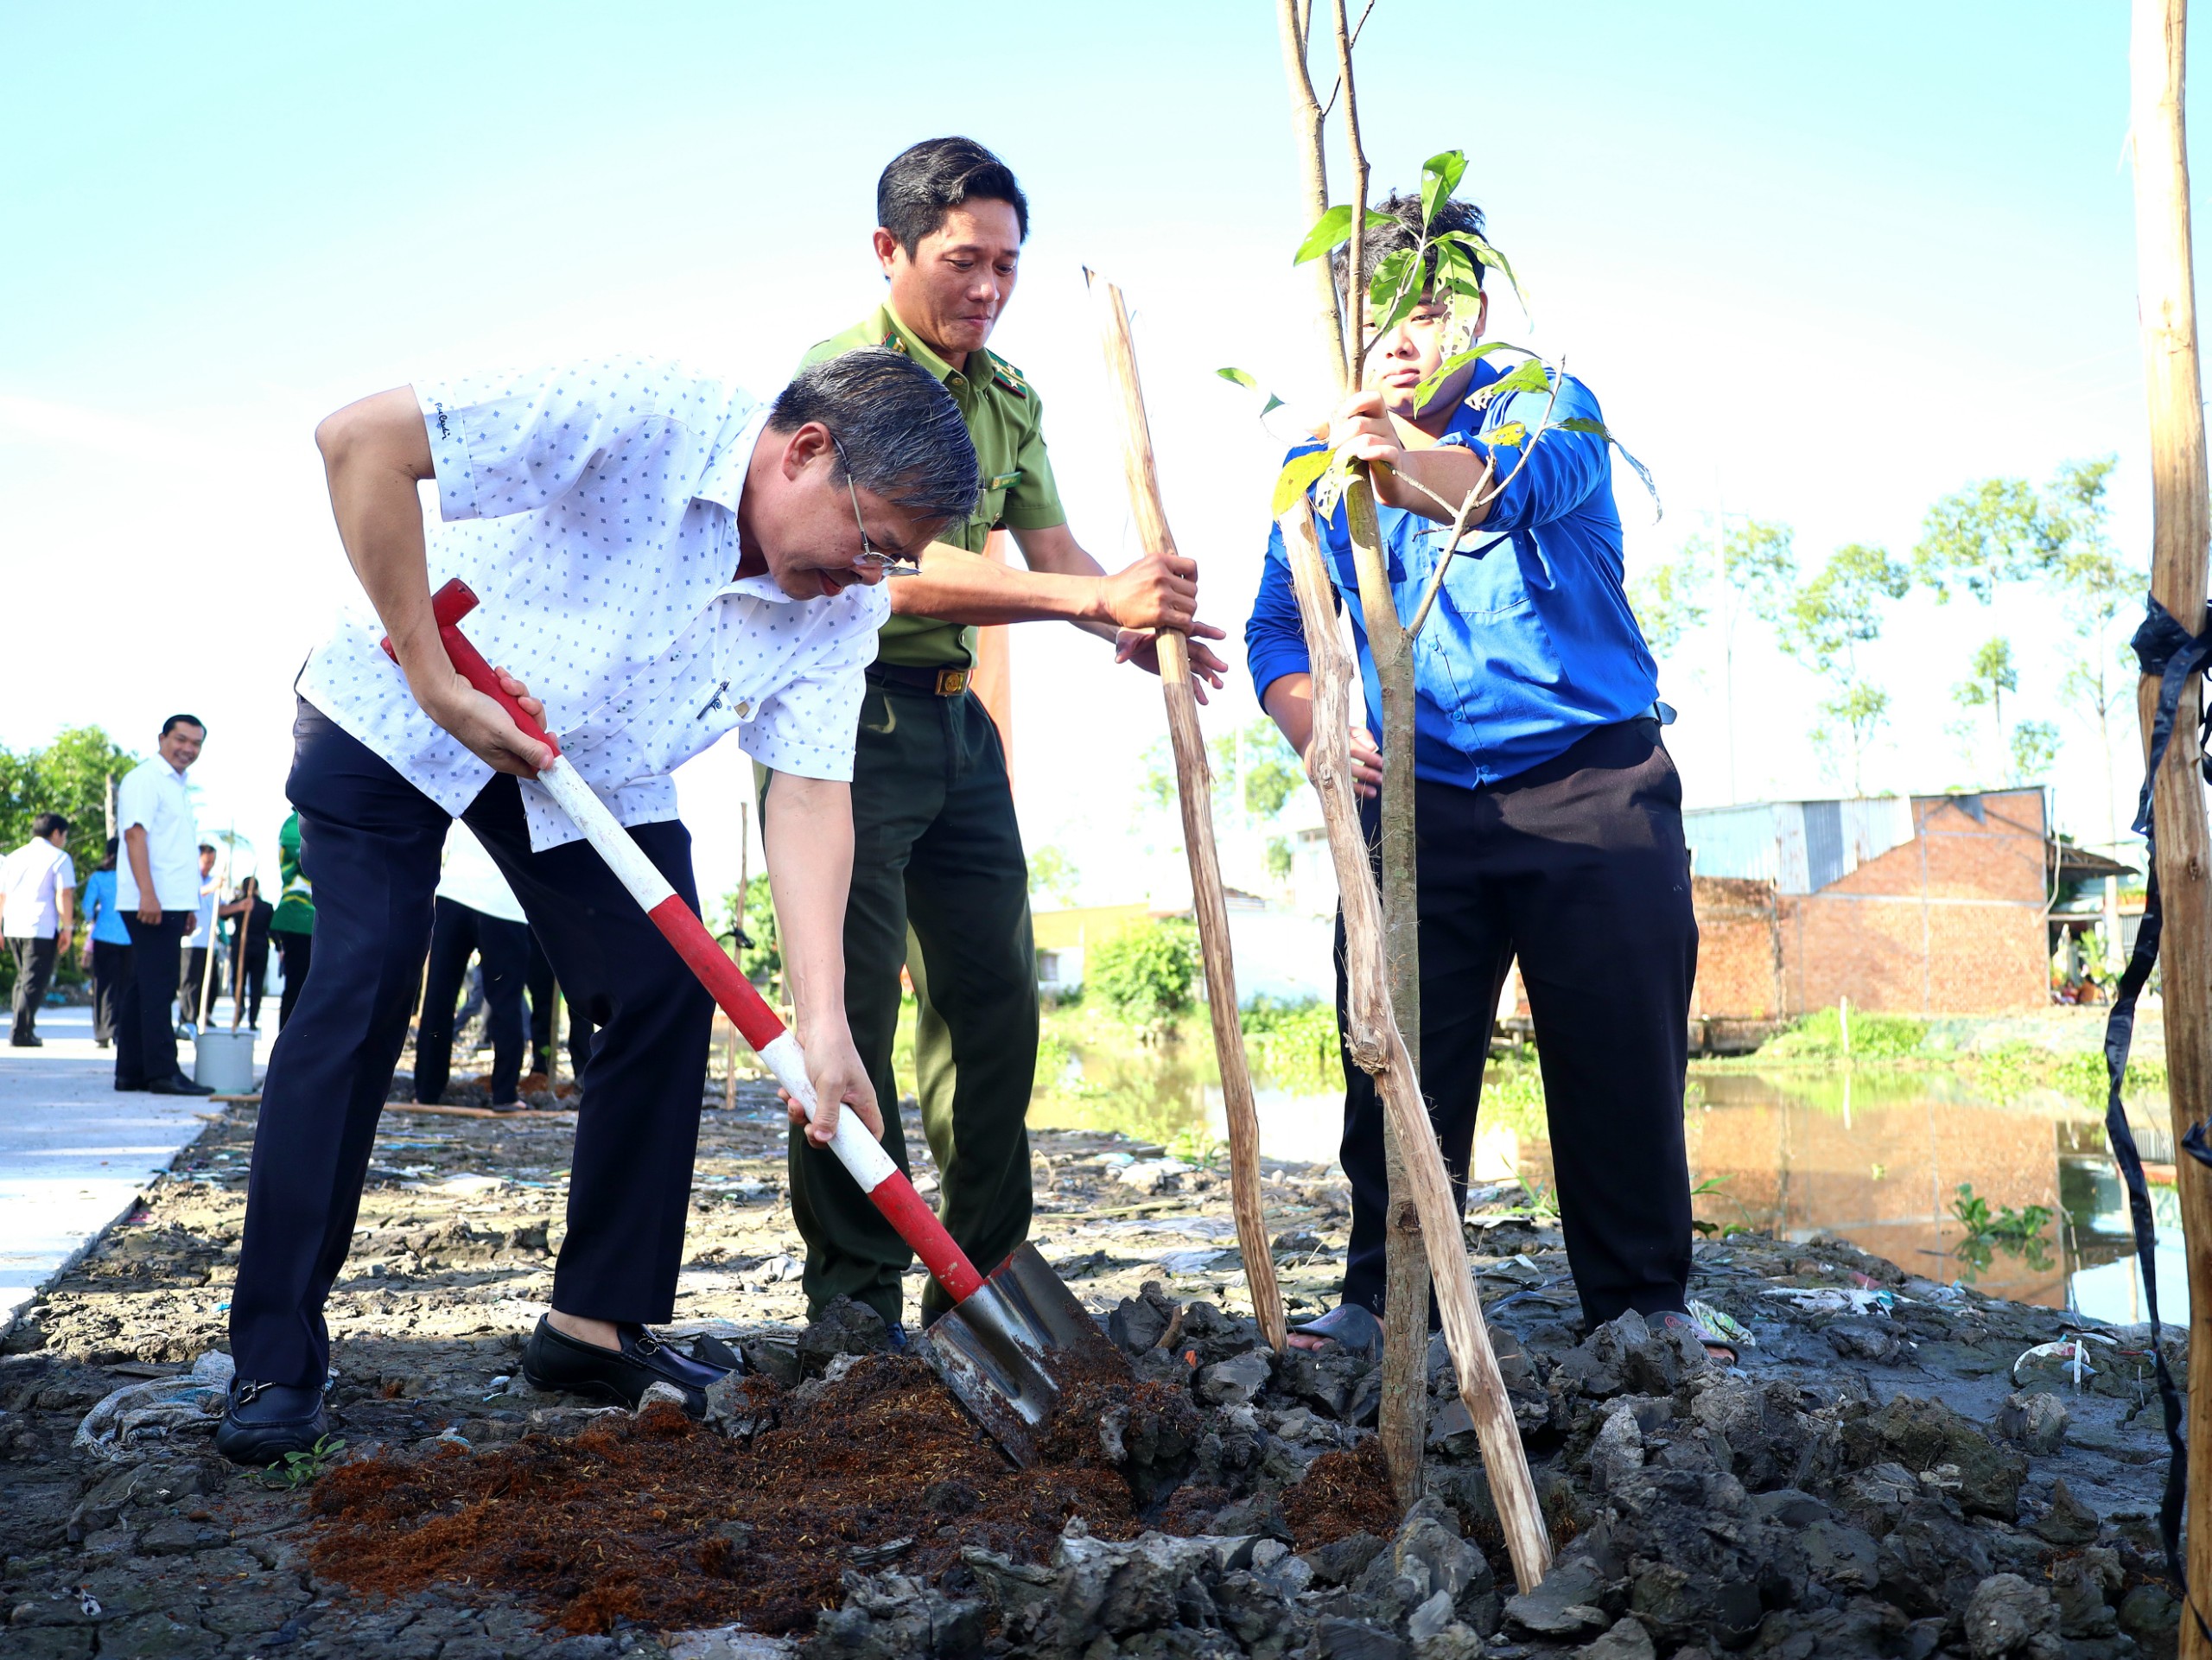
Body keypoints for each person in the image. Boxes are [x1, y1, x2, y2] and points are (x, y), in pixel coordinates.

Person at [217, 346, 980, 1466]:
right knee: (365, 981)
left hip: (585, 766)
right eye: (874, 541)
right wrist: (437, 677)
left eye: (896, 561)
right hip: (401, 697)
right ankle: (275, 1358)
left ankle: (592, 1324)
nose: (874, 577)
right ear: (807, 451)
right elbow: (360, 443)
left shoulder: (836, 612)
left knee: (664, 987)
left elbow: (812, 796)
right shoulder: (647, 413)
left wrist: (824, 1027)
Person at [1245, 189, 1707, 1358]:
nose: (1397, 339)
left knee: (1617, 1060)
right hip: (1417, 805)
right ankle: (1381, 1299)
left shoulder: (1548, 404)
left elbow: (1496, 489)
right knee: (1393, 1059)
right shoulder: (1311, 464)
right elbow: (1276, 633)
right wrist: (1313, 720)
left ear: (1476, 309)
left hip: (1591, 784)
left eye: (1424, 308)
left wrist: (1390, 462)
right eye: (1370, 319)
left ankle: (1643, 1307)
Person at [786, 137, 1229, 1333]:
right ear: (890, 251)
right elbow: (887, 571)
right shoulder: (841, 384)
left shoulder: (1011, 393)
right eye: (962, 262)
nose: (986, 288)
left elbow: (1055, 556)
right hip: (845, 725)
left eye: (1007, 266)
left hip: (957, 727)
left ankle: (976, 1281)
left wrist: (1140, 620)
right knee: (853, 1020)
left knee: (992, 1009)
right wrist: (1090, 602)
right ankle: (854, 1291)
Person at [114, 717, 214, 1097]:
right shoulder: (146, 779)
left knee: (144, 987)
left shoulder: (178, 785)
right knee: (159, 989)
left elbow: (176, 850)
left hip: (170, 901)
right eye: (181, 739)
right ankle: (163, 1074)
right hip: (151, 899)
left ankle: (132, 1073)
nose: (188, 748)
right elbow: (135, 835)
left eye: (196, 743)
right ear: (162, 738)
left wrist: (188, 904)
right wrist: (148, 894)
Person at [412, 824, 531, 1110]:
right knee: (505, 1001)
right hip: (505, 903)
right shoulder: (540, 783)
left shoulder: (468, 778)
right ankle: (505, 1094)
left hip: (455, 892)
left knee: (439, 996)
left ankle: (426, 1091)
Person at [1, 812, 77, 1047]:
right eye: (64, 835)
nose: (64, 840)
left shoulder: (13, 857)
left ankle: (23, 1027)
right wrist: (67, 928)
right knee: (34, 982)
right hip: (40, 927)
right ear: (56, 833)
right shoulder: (59, 858)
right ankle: (21, 1032)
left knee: (23, 980)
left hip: (13, 925)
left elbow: (2, 894)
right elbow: (63, 893)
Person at [79, 837, 133, 1047]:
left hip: (103, 936)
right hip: (130, 937)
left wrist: (93, 918)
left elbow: (86, 907)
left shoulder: (98, 877)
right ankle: (120, 1031)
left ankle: (102, 1031)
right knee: (125, 985)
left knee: (102, 985)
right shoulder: (134, 877)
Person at [270, 811, 314, 1032]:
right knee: (297, 988)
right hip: (298, 918)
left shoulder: (320, 819)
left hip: (319, 920)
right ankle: (286, 1054)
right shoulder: (293, 825)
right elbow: (314, 863)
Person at [217, 877, 275, 1031]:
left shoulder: (239, 904)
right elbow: (273, 931)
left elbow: (223, 916)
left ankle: (241, 1006)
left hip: (242, 948)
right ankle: (252, 1018)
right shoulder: (264, 907)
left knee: (238, 981)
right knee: (256, 984)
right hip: (258, 948)